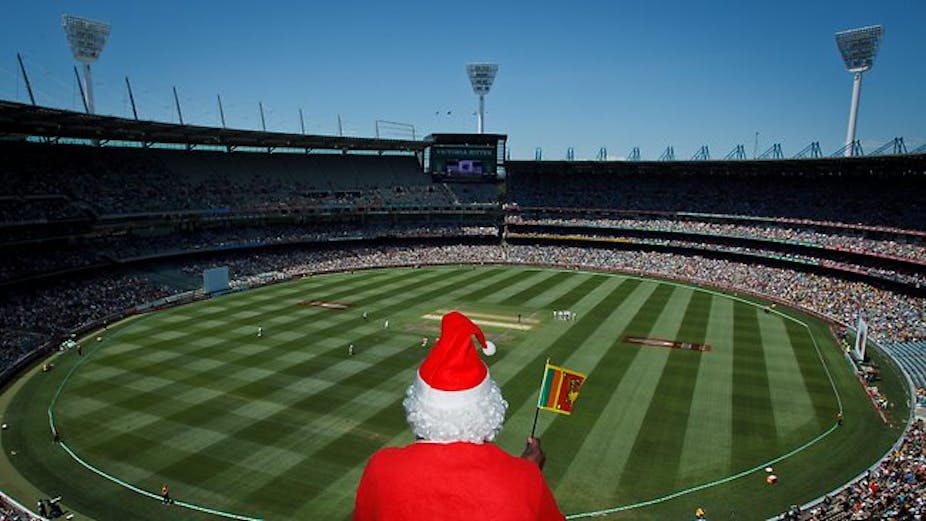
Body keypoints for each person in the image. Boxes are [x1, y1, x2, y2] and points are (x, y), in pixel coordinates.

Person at [354, 311, 564, 521]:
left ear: (417, 405)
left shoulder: (381, 470)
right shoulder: (525, 480)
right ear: (488, 406)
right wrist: (528, 474)